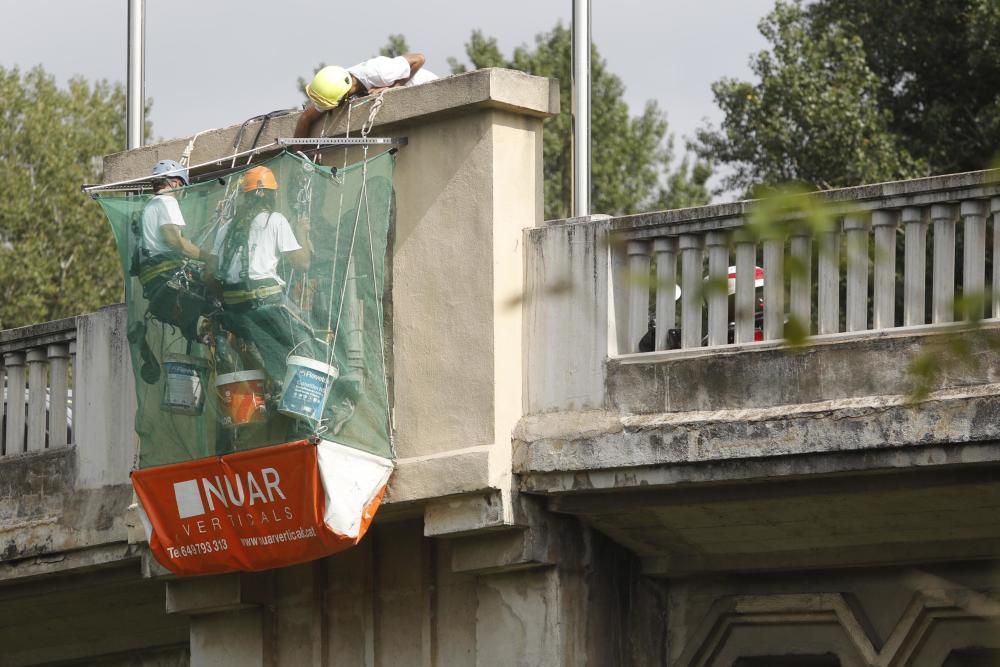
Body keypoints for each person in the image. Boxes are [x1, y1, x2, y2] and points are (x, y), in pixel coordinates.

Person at [207, 165, 316, 385]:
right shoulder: (274, 220)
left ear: (246, 196)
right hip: (266, 300)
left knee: (269, 346)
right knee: (304, 338)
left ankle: (275, 387)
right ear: (271, 195)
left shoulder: (226, 227)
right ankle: (305, 402)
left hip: (235, 307)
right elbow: (302, 263)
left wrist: (229, 301)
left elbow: (209, 275)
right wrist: (302, 233)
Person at [128, 160, 209, 382]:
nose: (182, 193)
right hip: (168, 277)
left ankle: (195, 334)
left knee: (192, 325)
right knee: (217, 298)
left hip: (152, 285)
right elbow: (174, 240)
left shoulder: (147, 206)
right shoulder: (167, 201)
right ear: (175, 183)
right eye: (183, 187)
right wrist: (208, 258)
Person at [293, 53, 438, 137]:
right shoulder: (334, 86)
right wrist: (298, 158)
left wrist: (394, 86)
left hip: (430, 93)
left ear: (343, 97)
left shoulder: (380, 73)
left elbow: (419, 58)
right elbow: (306, 118)